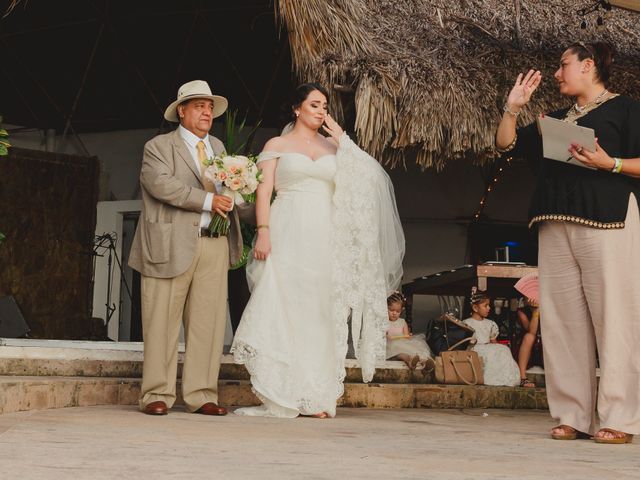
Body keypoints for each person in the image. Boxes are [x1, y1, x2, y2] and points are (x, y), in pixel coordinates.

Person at [231, 83, 405, 418]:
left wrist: (344, 142)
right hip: (287, 229)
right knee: (286, 306)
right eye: (314, 104)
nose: (321, 110)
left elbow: (373, 180)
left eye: (325, 105)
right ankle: (285, 391)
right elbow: (264, 192)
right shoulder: (277, 144)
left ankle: (315, 396)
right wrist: (263, 232)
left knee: (321, 312)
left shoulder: (336, 148)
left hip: (326, 237)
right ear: (297, 108)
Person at [495, 41, 640, 443]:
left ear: (588, 65)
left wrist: (608, 163)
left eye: (563, 66)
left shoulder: (627, 110)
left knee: (615, 320)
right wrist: (513, 107)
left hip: (609, 222)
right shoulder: (554, 119)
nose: (556, 74)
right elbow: (505, 143)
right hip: (554, 223)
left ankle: (619, 419)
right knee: (562, 325)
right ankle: (572, 415)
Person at [128, 80, 252, 416]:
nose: (207, 112)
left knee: (208, 325)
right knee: (161, 322)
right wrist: (210, 200)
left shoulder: (219, 147)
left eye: (210, 107)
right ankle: (156, 393)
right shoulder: (158, 147)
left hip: (214, 244)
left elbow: (233, 194)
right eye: (199, 106)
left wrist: (251, 193)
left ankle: (201, 394)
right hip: (168, 245)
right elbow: (160, 185)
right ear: (181, 111)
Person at [462, 292, 520, 387]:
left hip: (487, 346)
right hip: (473, 349)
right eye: (485, 306)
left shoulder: (490, 323)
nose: (489, 308)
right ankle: (488, 379)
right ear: (475, 308)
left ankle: (506, 378)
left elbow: (493, 342)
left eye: (489, 305)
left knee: (503, 349)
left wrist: (498, 348)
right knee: (493, 351)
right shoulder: (466, 323)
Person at [385, 291, 434, 373]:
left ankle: (425, 361)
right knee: (401, 353)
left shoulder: (402, 322)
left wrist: (408, 336)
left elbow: (406, 336)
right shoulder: (385, 322)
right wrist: (387, 336)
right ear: (386, 308)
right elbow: (384, 335)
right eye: (391, 310)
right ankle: (410, 360)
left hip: (402, 343)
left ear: (401, 310)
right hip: (391, 345)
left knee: (418, 347)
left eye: (398, 311)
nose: (394, 313)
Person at [516, 297, 540, 388]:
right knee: (529, 337)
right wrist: (535, 311)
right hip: (528, 346)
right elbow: (531, 331)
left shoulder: (548, 308)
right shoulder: (522, 311)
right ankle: (522, 377)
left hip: (545, 342)